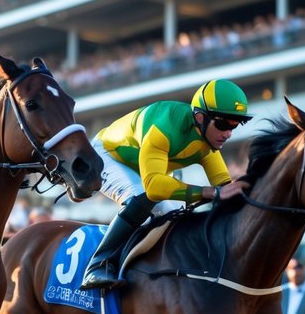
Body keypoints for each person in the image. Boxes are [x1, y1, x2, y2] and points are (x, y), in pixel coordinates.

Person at [80, 79, 252, 290]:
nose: (228, 133)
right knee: (146, 198)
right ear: (200, 117)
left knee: (177, 212)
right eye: (224, 124)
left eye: (235, 125)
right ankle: (99, 264)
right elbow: (154, 187)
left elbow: (226, 188)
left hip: (146, 165)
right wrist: (210, 193)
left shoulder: (208, 143)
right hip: (108, 155)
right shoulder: (164, 127)